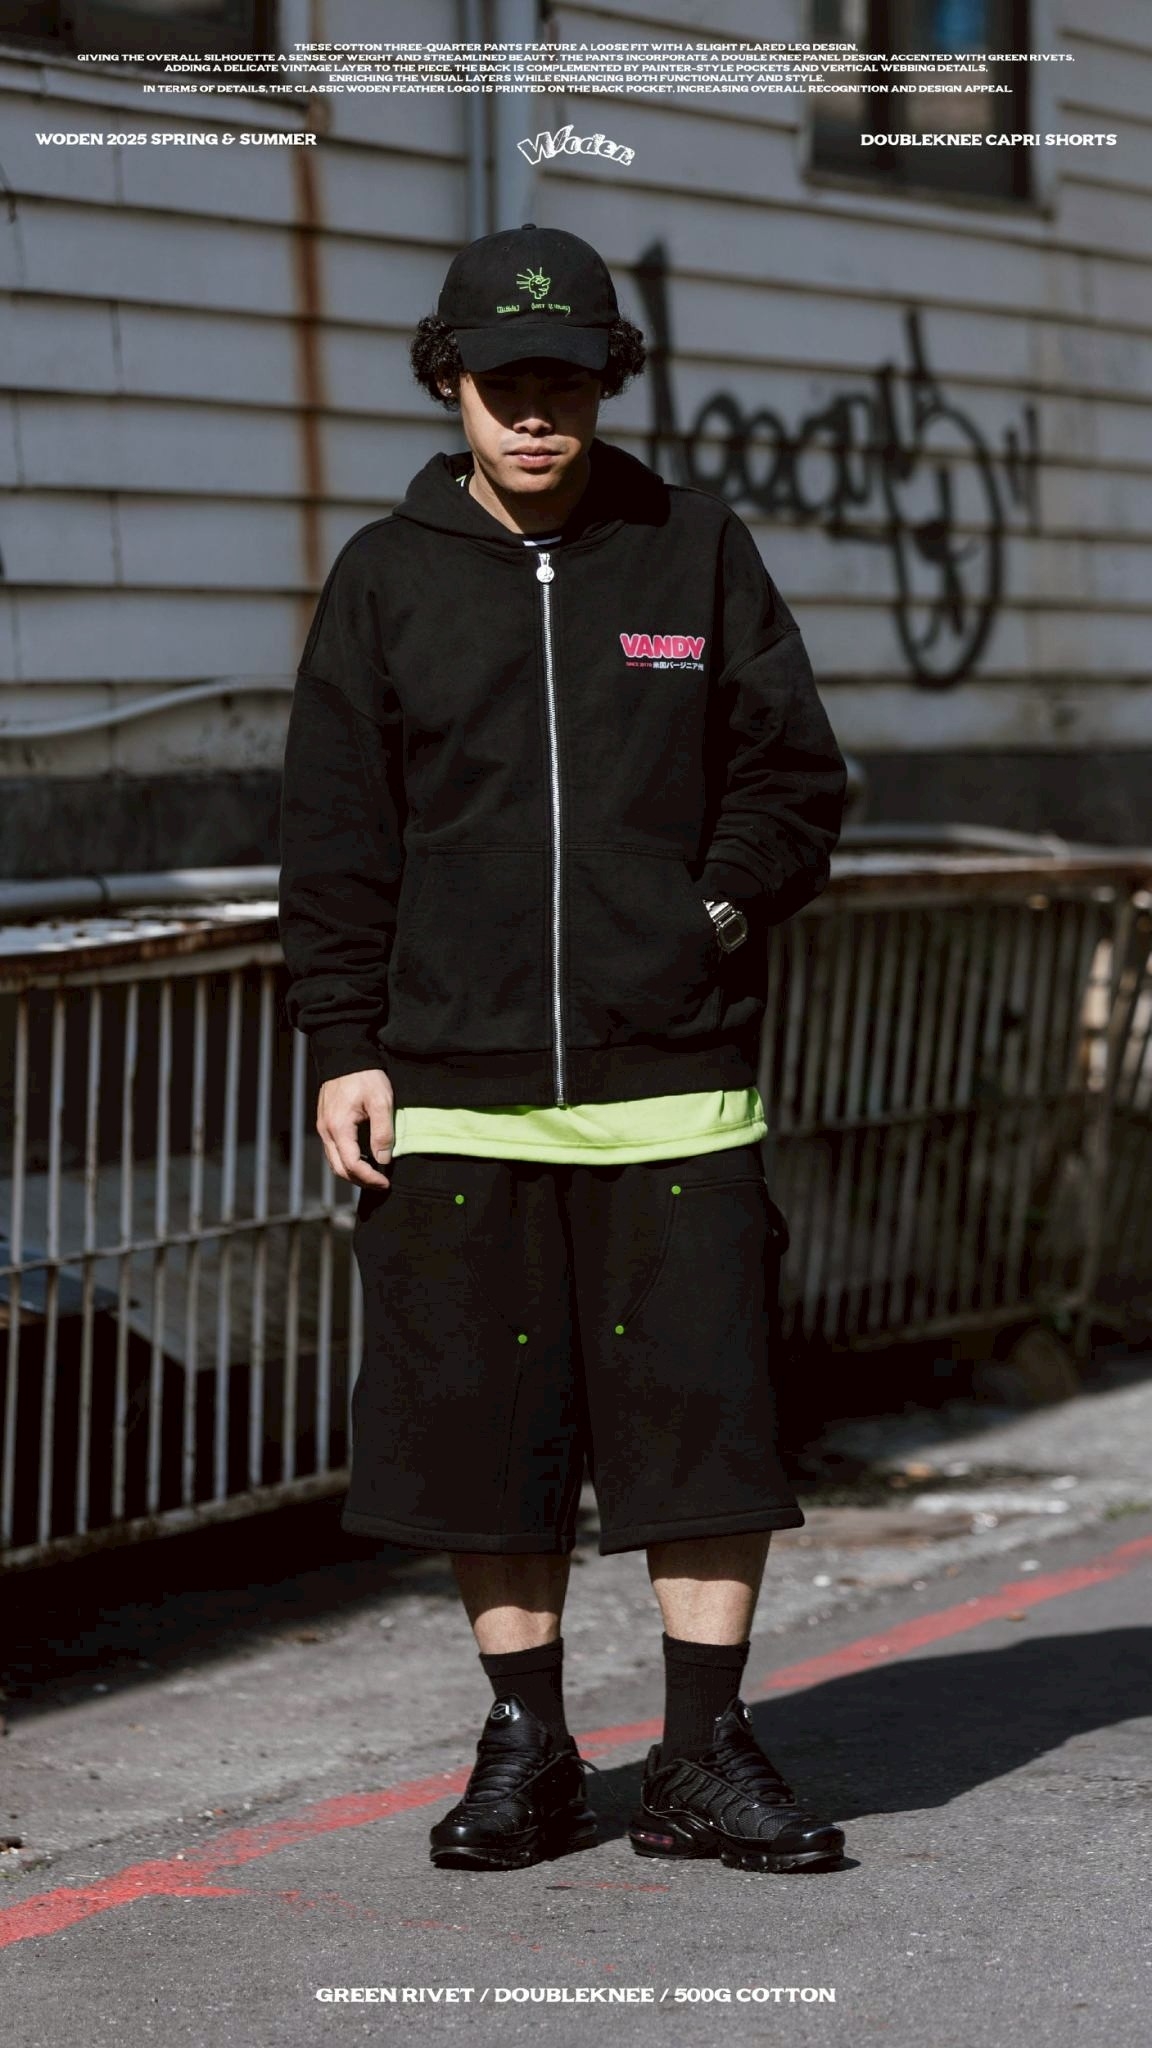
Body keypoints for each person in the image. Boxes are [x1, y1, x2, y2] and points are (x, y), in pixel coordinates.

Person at [277, 223, 849, 1876]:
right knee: (482, 1440)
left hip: (675, 1077)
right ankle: (527, 1747)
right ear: (447, 381)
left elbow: (793, 779)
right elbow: (334, 833)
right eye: (504, 381)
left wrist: (709, 915)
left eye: (570, 382)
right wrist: (343, 1039)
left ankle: (700, 1753)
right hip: (452, 1091)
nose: (537, 412)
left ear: (610, 383)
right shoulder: (384, 579)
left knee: (705, 1431)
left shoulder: (696, 549)